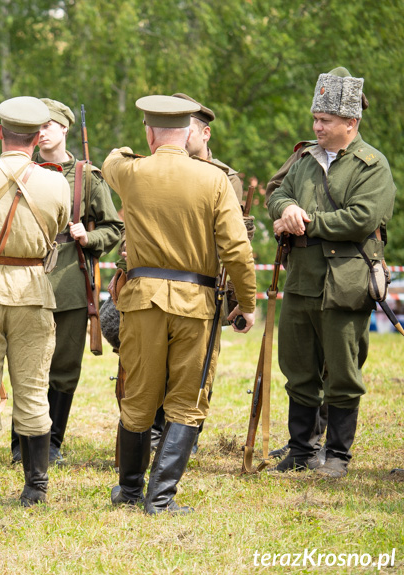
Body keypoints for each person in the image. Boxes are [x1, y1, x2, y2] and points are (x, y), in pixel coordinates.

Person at [102, 95, 256, 515]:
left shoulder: (130, 171)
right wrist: (247, 302)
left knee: (138, 398)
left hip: (142, 302)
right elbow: (238, 250)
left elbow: (111, 159)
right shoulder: (214, 180)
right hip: (196, 304)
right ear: (190, 132)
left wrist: (137, 151)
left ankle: (130, 491)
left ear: (150, 133)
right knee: (187, 401)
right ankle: (161, 498)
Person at [267, 68, 396, 479]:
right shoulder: (304, 158)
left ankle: (337, 454)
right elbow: (278, 191)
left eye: (324, 120)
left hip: (347, 283)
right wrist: (285, 209)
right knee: (298, 367)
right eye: (315, 119)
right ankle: (301, 450)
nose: (316, 127)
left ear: (350, 123)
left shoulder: (372, 165)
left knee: (343, 370)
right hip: (302, 277)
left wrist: (307, 222)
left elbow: (363, 218)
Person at [0, 96, 69, 507]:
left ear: (1, 132)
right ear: (39, 137)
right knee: (34, 390)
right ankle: (35, 488)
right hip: (32, 292)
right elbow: (57, 229)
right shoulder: (56, 181)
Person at [7, 97, 122, 465]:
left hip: (71, 285)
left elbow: (113, 227)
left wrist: (89, 238)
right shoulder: (20, 170)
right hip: (24, 280)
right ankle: (19, 444)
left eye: (47, 126)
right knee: (26, 366)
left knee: (63, 369)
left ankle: (51, 443)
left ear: (64, 128)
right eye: (36, 128)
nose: (40, 134)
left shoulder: (87, 177)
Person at [145, 93, 255, 454]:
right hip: (155, 283)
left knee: (196, 368)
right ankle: (155, 432)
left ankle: (183, 439)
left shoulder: (224, 178)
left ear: (204, 134)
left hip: (204, 285)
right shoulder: (153, 167)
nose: (178, 135)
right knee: (152, 365)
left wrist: (238, 298)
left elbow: (235, 243)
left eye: (186, 128)